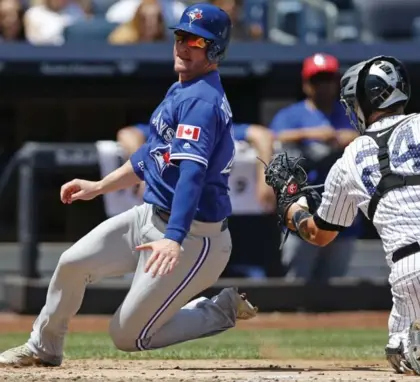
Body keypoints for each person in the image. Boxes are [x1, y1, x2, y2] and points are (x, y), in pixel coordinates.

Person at [0, 3, 257, 367]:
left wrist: (174, 237)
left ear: (214, 50)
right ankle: (44, 346)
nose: (183, 46)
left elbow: (192, 176)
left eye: (196, 42)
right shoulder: (182, 89)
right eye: (181, 36)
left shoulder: (202, 100)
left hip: (195, 237)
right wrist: (100, 186)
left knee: (127, 335)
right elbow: (150, 155)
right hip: (151, 216)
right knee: (72, 263)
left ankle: (219, 311)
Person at [266, 55, 420, 376]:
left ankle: (416, 344)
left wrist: (292, 206)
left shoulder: (350, 158)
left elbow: (319, 234)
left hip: (413, 272)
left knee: (401, 351)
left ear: (364, 101)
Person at [269, 53, 360, 282]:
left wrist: (348, 137)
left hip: (342, 209)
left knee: (337, 285)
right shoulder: (292, 115)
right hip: (304, 207)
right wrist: (312, 135)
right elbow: (273, 138)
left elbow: (370, 136)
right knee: (297, 282)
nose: (323, 86)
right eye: (317, 80)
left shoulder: (348, 114)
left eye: (328, 79)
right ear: (306, 84)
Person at [117, 122, 275, 212]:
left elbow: (262, 134)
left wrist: (265, 178)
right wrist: (144, 174)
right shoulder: (168, 131)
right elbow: (128, 134)